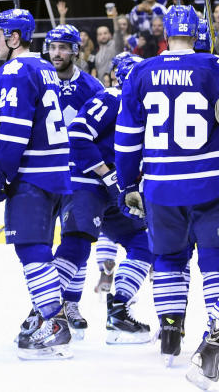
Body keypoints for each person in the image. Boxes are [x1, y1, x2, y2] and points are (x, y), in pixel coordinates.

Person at [0, 9, 73, 359]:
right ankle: (47, 315)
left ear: (14, 38)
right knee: (36, 247)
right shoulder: (41, 67)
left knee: (31, 249)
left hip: (33, 176)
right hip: (55, 173)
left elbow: (13, 130)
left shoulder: (15, 69)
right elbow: (12, 110)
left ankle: (54, 321)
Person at [115, 6, 219, 375]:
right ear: (197, 33)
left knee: (169, 259)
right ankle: (217, 330)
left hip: (160, 187)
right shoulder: (214, 68)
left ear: (166, 34)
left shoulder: (141, 71)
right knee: (214, 258)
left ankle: (170, 334)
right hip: (210, 184)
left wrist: (128, 182)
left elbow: (127, 139)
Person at [67, 52, 152, 344]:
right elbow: (77, 133)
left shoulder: (144, 106)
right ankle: (45, 314)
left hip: (116, 190)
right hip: (88, 183)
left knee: (144, 243)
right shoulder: (112, 98)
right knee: (76, 244)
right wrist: (106, 173)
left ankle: (118, 311)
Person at [38, 24, 104, 338]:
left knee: (76, 240)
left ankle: (69, 303)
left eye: (64, 47)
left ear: (75, 50)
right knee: (40, 245)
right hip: (43, 172)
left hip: (79, 175)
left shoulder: (92, 87)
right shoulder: (37, 81)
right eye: (52, 47)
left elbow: (103, 132)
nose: (57, 53)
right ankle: (49, 303)